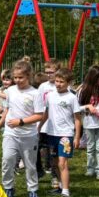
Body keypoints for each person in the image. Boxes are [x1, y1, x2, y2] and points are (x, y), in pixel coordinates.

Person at [0, 60, 45, 197]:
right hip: (10, 134)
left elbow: (39, 115)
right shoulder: (10, 91)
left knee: (30, 164)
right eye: (15, 77)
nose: (18, 80)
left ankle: (32, 189)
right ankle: (8, 188)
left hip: (28, 135)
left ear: (29, 76)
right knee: (7, 160)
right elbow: (7, 109)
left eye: (21, 78)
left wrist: (20, 122)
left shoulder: (35, 94)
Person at [39, 68, 82, 197]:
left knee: (63, 163)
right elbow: (46, 112)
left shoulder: (72, 97)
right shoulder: (50, 95)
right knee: (54, 163)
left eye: (61, 82)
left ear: (68, 83)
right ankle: (61, 187)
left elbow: (77, 119)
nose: (58, 84)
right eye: (57, 81)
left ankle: (66, 193)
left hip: (65, 135)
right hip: (51, 134)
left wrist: (76, 137)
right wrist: (39, 127)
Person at [77, 64, 99, 180]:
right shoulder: (82, 90)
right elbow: (77, 107)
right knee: (90, 146)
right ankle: (90, 168)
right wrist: (87, 107)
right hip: (89, 123)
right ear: (94, 77)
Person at [38, 60, 60, 189]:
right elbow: (39, 105)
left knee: (54, 152)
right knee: (40, 149)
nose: (48, 75)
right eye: (47, 73)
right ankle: (39, 170)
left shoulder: (61, 86)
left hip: (56, 126)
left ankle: (55, 176)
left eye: (51, 72)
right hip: (43, 124)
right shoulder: (43, 87)